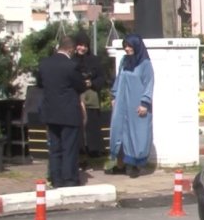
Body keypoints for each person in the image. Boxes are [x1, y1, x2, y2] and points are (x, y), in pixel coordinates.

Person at [36, 35, 87, 188]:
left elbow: (40, 84)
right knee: (69, 147)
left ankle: (55, 177)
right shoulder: (71, 65)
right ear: (71, 49)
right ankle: (69, 179)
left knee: (54, 147)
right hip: (69, 112)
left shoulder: (44, 64)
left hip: (51, 111)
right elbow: (81, 86)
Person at [107, 34, 154, 178]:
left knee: (137, 134)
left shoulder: (145, 64)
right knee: (120, 131)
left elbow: (149, 83)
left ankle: (136, 166)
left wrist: (145, 103)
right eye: (125, 46)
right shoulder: (124, 61)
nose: (127, 49)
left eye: (129, 46)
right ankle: (122, 164)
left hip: (137, 104)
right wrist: (114, 95)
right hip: (122, 103)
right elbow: (119, 78)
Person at [73, 30, 106, 166]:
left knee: (91, 129)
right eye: (80, 45)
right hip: (76, 99)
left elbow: (102, 78)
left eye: (85, 45)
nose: (82, 48)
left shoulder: (94, 60)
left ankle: (92, 154)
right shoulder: (71, 60)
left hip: (91, 99)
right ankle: (79, 156)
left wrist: (91, 83)